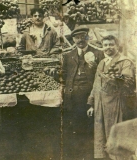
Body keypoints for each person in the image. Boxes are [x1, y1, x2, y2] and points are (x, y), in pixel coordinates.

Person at [87, 35, 136, 159]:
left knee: (115, 134)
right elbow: (96, 84)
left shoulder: (125, 62)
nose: (108, 47)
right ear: (102, 47)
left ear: (117, 46)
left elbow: (129, 81)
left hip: (116, 104)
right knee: (101, 137)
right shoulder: (102, 63)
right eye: (105, 45)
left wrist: (113, 77)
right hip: (100, 105)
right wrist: (91, 104)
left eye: (111, 44)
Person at [62, 25, 104, 160]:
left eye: (83, 36)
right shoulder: (68, 55)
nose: (80, 40)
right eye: (76, 37)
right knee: (75, 125)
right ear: (73, 39)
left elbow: (102, 74)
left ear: (87, 37)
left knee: (91, 126)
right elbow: (64, 74)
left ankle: (91, 154)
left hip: (91, 95)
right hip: (73, 97)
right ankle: (78, 153)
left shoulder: (98, 53)